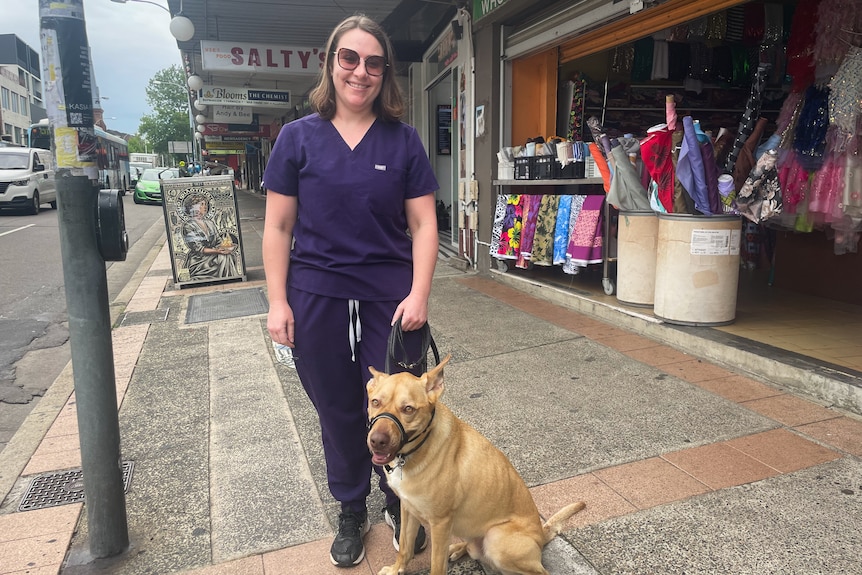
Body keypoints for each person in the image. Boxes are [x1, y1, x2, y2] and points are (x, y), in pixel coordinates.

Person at [261, 14, 439, 568]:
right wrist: (277, 301)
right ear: (331, 63)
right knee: (338, 409)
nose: (360, 72)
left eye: (373, 63)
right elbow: (277, 227)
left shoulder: (403, 141)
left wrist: (420, 294)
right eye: (349, 59)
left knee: (401, 411)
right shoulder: (297, 138)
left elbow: (425, 225)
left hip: (391, 303)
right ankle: (349, 508)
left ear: (385, 74)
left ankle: (398, 500)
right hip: (316, 296)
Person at [181, 193, 238, 279]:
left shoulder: (210, 223)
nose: (205, 207)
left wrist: (226, 246)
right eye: (202, 204)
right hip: (199, 259)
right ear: (193, 207)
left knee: (228, 255)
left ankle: (229, 278)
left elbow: (219, 241)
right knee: (223, 258)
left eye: (206, 204)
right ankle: (227, 278)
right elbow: (198, 249)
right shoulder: (188, 226)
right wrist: (218, 251)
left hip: (213, 255)